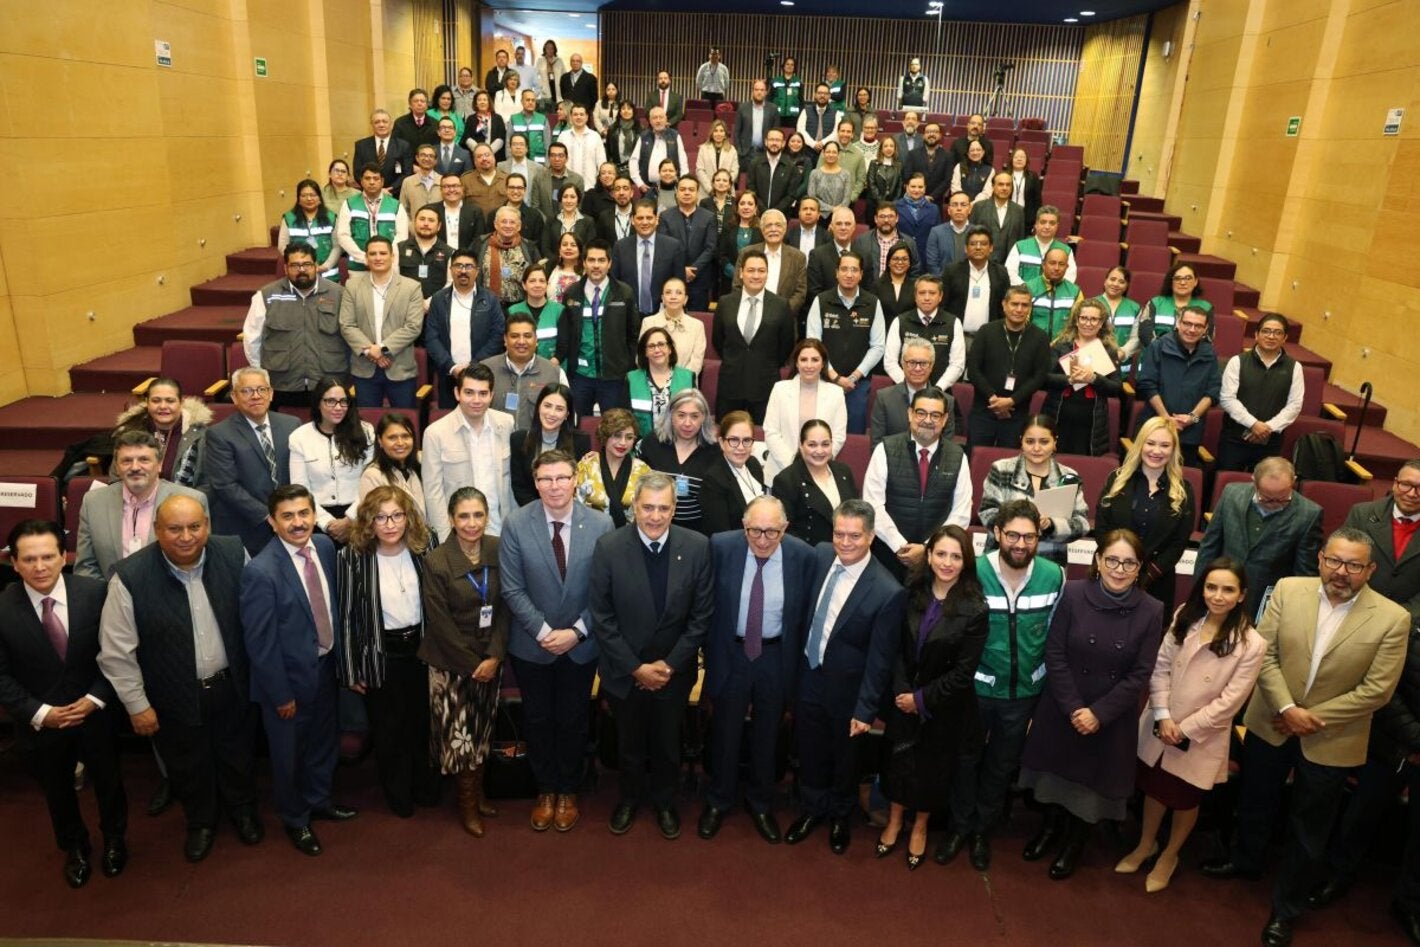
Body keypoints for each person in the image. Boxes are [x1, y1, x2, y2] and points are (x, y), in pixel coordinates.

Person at [1203, 529, 1408, 947]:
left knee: (1308, 827)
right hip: (1272, 721)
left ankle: (1286, 907)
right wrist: (1285, 708)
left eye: (1353, 565)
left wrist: (1308, 718)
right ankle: (1246, 861)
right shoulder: (1288, 590)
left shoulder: (1393, 618)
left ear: (1369, 570)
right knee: (1256, 801)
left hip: (1331, 738)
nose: (1341, 572)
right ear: (1320, 560)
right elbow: (1265, 652)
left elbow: (1377, 690)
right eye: (1334, 561)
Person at [98, 495, 260, 864]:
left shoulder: (235, 553)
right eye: (174, 528)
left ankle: (243, 811)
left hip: (232, 685)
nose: (186, 536)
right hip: (173, 694)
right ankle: (200, 822)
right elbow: (116, 651)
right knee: (188, 763)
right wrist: (137, 705)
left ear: (208, 525)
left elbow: (257, 619)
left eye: (194, 526)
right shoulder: (130, 576)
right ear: (157, 531)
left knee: (238, 754)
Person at [1310, 464, 1420, 937]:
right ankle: (1338, 871)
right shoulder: (1363, 513)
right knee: (1361, 797)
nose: (1411, 492)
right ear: (1392, 484)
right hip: (1361, 641)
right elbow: (1341, 566)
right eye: (1405, 483)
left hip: (1403, 640)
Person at [1017, 529, 1164, 880]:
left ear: (1139, 568)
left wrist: (1098, 713)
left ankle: (1074, 843)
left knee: (1087, 787)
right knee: (1055, 775)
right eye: (1112, 559)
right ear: (1098, 560)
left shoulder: (1152, 609)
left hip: (1109, 715)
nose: (1119, 568)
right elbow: (1054, 652)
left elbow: (1141, 673)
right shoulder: (1072, 593)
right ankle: (1050, 829)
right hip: (1064, 704)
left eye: (1129, 562)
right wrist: (1073, 708)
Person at [1116, 557, 1265, 892]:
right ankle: (1146, 844)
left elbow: (1231, 702)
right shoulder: (1186, 615)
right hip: (1162, 722)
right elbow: (1161, 667)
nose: (1218, 595)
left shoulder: (1252, 643)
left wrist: (1184, 729)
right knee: (1155, 788)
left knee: (1184, 798)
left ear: (1242, 595)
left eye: (1228, 589)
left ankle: (1170, 854)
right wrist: (1163, 715)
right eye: (1212, 587)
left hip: (1200, 735)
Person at [939, 499, 1065, 870]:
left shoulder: (1054, 576)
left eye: (1029, 536)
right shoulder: (973, 572)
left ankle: (981, 832)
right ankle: (959, 827)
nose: (1021, 544)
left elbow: (1056, 639)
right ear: (996, 534)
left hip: (1024, 693)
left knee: (1000, 767)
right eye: (1013, 535)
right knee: (966, 761)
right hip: (976, 690)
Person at [1, 520, 127, 888]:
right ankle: (75, 847)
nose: (40, 567)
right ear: (15, 563)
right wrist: (41, 714)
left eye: (48, 557)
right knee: (56, 791)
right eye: (29, 559)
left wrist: (94, 699)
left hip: (96, 712)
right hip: (41, 722)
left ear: (63, 557)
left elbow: (117, 654)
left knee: (110, 783)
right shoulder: (2, 607)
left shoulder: (97, 593)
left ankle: (116, 840)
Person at [590, 472, 714, 838]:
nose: (655, 516)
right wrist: (634, 668)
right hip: (624, 671)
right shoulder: (609, 547)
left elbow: (701, 616)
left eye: (663, 508)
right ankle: (628, 798)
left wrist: (670, 665)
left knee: (666, 744)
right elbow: (602, 615)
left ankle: (664, 801)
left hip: (673, 672)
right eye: (647, 507)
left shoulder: (697, 547)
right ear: (634, 508)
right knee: (628, 744)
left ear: (675, 508)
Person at [499, 452, 614, 833]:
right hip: (533, 646)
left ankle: (568, 790)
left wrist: (578, 632)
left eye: (562, 478)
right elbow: (512, 589)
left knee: (573, 719)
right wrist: (545, 632)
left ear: (575, 479)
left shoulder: (600, 523)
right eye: (546, 479)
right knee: (537, 719)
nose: (555, 486)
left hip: (581, 647)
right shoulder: (516, 523)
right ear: (535, 483)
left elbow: (605, 591)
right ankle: (545, 789)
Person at [240, 485, 357, 856]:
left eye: (304, 513)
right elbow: (260, 644)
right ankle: (295, 818)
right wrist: (280, 695)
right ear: (272, 522)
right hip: (287, 683)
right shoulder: (261, 571)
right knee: (289, 754)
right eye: (288, 516)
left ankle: (320, 799)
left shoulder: (324, 547)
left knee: (324, 741)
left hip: (326, 668)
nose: (298, 523)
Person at [784, 500, 907, 854]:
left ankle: (840, 816)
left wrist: (865, 709)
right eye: (840, 533)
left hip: (849, 693)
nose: (845, 542)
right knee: (809, 750)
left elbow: (880, 660)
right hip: (809, 676)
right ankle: (811, 809)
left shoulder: (887, 591)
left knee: (844, 759)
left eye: (854, 536)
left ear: (870, 537)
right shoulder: (821, 555)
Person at [700, 495, 817, 843]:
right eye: (754, 531)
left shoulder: (803, 556)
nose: (763, 540)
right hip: (731, 653)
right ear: (743, 526)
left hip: (775, 656)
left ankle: (761, 803)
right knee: (725, 731)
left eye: (771, 532)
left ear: (785, 528)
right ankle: (718, 800)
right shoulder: (720, 547)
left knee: (769, 734)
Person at [879, 524, 989, 870]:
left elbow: (963, 673)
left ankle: (920, 826)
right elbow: (896, 648)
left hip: (942, 706)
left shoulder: (975, 608)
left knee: (931, 769)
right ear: (928, 556)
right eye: (940, 553)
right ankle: (895, 820)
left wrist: (921, 700)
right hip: (902, 698)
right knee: (898, 762)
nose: (947, 562)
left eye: (956, 556)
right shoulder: (910, 592)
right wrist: (901, 692)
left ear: (966, 562)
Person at [333, 486, 438, 818]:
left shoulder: (425, 546)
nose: (390, 524)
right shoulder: (352, 557)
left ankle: (425, 786)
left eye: (396, 515)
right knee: (389, 730)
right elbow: (348, 615)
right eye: (381, 517)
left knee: (423, 724)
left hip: (422, 650)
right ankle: (398, 793)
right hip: (381, 654)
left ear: (408, 517)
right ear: (368, 521)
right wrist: (351, 669)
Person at [862, 386, 972, 581]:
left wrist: (928, 549)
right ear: (910, 414)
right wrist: (900, 546)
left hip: (935, 562)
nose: (928, 420)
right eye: (921, 413)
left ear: (945, 419)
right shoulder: (885, 449)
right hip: (887, 554)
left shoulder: (958, 457)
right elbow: (873, 505)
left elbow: (961, 513)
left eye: (935, 415)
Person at [1195, 456, 1324, 618]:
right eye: (1267, 498)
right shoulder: (1231, 494)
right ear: (1254, 482)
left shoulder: (1309, 514)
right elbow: (1209, 546)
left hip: (1266, 601)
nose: (1275, 504)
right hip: (1221, 593)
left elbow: (1303, 574)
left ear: (1294, 481)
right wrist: (1198, 590)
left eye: (1283, 499)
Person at [1094, 416, 1196, 617]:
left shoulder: (1184, 491)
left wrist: (1146, 575)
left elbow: (1178, 543)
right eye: (1150, 443)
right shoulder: (1116, 479)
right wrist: (1119, 566)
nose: (1156, 451)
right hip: (1111, 573)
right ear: (1140, 445)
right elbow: (1102, 528)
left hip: (1156, 581)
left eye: (1164, 445)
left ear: (1173, 450)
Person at [75, 430, 208, 581]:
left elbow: (199, 563)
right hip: (110, 597)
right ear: (117, 468)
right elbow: (86, 566)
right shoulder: (93, 502)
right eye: (126, 461)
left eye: (144, 460)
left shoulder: (192, 500)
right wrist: (110, 598)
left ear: (159, 465)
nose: (135, 467)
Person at [200, 367, 300, 555]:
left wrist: (290, 513)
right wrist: (269, 516)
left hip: (291, 522)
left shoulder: (291, 425)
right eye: (247, 391)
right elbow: (225, 485)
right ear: (234, 397)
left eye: (262, 389)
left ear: (271, 394)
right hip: (246, 526)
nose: (256, 396)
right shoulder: (219, 434)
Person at [242, 243, 349, 409]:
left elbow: (350, 334)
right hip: (282, 382)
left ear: (316, 266)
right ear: (285, 268)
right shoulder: (266, 296)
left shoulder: (339, 294)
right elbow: (252, 338)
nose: (302, 270)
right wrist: (261, 375)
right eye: (295, 265)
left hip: (329, 381)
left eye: (307, 264)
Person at [978, 415, 1090, 568]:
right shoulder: (1001, 469)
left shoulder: (1069, 477)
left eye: (1044, 442)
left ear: (1055, 442)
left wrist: (1050, 525)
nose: (1036, 448)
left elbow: (1082, 525)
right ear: (1021, 441)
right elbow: (987, 514)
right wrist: (1022, 528)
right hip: (1002, 559)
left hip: (1049, 563)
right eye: (1030, 441)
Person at [421, 365, 515, 539]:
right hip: (459, 532)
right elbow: (433, 492)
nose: (476, 400)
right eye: (469, 393)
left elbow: (512, 484)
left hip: (500, 528)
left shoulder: (506, 424)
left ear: (491, 395)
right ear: (457, 393)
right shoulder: (435, 433)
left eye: (483, 393)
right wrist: (445, 538)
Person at [338, 235, 425, 409]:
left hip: (400, 368)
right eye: (373, 254)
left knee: (403, 423)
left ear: (392, 257)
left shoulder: (411, 287)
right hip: (364, 368)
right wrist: (370, 351)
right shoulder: (352, 286)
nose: (378, 258)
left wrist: (382, 349)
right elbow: (347, 324)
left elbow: (413, 327)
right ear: (366, 258)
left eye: (383, 253)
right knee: (367, 424)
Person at [805, 250, 886, 434]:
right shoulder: (821, 301)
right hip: (824, 380)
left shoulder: (872, 303)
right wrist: (834, 377)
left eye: (854, 270)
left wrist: (853, 377)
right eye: (844, 269)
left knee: (853, 436)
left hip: (858, 384)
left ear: (861, 274)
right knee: (820, 433)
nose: (849, 274)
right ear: (836, 272)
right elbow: (813, 344)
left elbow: (878, 346)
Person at [560, 237, 642, 417]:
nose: (596, 265)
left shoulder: (624, 293)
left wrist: (626, 366)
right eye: (591, 260)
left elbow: (633, 334)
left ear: (610, 263)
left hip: (614, 377)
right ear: (584, 263)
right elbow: (566, 334)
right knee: (579, 425)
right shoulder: (572, 293)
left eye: (601, 260)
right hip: (580, 376)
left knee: (614, 426)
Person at [287, 379, 374, 544]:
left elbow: (371, 482)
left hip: (361, 513)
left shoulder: (366, 431)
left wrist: (350, 519)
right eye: (330, 401)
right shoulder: (299, 437)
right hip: (317, 517)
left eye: (343, 401)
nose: (338, 407)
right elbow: (301, 488)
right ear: (318, 403)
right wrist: (327, 524)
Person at [965, 285, 1053, 447]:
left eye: (1025, 305)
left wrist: (1012, 401)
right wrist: (994, 399)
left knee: (1009, 465)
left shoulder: (1040, 337)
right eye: (1014, 304)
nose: (1019, 309)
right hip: (983, 411)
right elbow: (973, 370)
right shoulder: (986, 331)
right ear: (1004, 305)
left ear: (1030, 308)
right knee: (976, 461)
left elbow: (1039, 376)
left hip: (1017, 414)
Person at [713, 249, 795, 423]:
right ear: (741, 273)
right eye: (751, 270)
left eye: (761, 271)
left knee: (762, 441)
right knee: (727, 439)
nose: (756, 276)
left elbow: (786, 344)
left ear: (767, 273)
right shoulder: (725, 303)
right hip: (730, 385)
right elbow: (718, 341)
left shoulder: (781, 305)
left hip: (765, 386)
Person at [1134, 305, 1221, 467]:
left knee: (1180, 482)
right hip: (1154, 427)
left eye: (1198, 326)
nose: (1192, 329)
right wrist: (1166, 419)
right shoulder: (1158, 346)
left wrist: (1192, 417)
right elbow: (1147, 385)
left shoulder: (1210, 353)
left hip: (1189, 432)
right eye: (1187, 323)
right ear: (1178, 323)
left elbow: (1213, 391)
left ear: (1206, 329)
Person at [1217, 312, 1304, 472]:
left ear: (1285, 338)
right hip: (1234, 439)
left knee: (1264, 488)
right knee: (1225, 483)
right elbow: (1227, 399)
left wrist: (1267, 428)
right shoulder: (1238, 361)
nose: (1271, 336)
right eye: (1266, 331)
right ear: (1256, 335)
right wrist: (1253, 424)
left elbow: (1294, 405)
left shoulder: (1295, 367)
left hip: (1270, 442)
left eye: (1277, 333)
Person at [424, 248, 506, 409]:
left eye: (469, 266)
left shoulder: (490, 299)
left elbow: (497, 335)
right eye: (458, 266)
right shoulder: (439, 299)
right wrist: (452, 367)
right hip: (448, 375)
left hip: (481, 375)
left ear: (477, 271)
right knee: (449, 425)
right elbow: (431, 338)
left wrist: (474, 365)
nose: (463, 271)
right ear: (451, 270)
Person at [1041, 296, 1123, 456]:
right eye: (1084, 318)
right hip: (1059, 412)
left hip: (1091, 418)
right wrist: (1069, 379)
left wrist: (1094, 378)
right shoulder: (1061, 345)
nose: (1088, 323)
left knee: (1082, 463)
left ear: (1101, 324)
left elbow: (1116, 387)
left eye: (1093, 319)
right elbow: (1045, 378)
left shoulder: (1108, 350)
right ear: (1076, 320)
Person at [635, 388, 720, 533]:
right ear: (671, 415)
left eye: (694, 416)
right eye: (681, 415)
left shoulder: (714, 451)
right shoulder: (652, 443)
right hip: (654, 526)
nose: (687, 423)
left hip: (698, 532)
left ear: (704, 418)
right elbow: (636, 484)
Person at [763, 338, 847, 478]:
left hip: (819, 471)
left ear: (823, 364)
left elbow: (838, 436)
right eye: (803, 359)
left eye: (815, 360)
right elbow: (771, 432)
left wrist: (816, 462)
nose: (809, 365)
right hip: (781, 471)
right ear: (796, 363)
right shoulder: (780, 389)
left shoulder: (836, 393)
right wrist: (793, 466)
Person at [481, 307, 566, 430]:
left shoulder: (555, 373)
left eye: (527, 336)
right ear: (505, 340)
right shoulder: (485, 370)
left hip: (537, 446)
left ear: (536, 340)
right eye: (515, 336)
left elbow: (567, 417)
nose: (521, 341)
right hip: (495, 445)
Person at [509, 384, 589, 506]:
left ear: (567, 414)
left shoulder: (580, 441)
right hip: (531, 511)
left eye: (559, 409)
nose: (551, 413)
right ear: (539, 407)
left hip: (567, 510)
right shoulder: (519, 439)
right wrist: (541, 512)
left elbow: (579, 485)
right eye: (547, 406)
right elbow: (519, 487)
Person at [883, 275, 965, 390]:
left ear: (940, 296)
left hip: (940, 392)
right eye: (922, 293)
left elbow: (957, 364)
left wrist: (938, 388)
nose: (927, 298)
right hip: (903, 390)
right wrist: (910, 386)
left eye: (932, 293)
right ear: (915, 296)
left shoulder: (953, 323)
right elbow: (890, 362)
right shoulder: (900, 321)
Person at [575, 409, 651, 529]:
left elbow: (649, 511)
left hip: (630, 538)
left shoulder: (643, 470)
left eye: (629, 437)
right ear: (605, 436)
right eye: (617, 436)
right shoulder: (586, 466)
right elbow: (576, 509)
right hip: (592, 534)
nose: (623, 443)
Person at [871, 337, 952, 448]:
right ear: (902, 364)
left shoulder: (946, 401)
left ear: (932, 366)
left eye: (923, 363)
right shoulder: (884, 398)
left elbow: (947, 449)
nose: (917, 368)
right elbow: (877, 446)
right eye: (912, 362)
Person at [699, 410, 768, 535]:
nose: (741, 447)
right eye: (734, 440)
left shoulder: (753, 464)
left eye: (746, 440)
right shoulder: (713, 480)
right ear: (721, 443)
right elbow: (720, 534)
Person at [657, 176, 718, 310]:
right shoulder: (665, 216)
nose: (686, 193)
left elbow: (711, 248)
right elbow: (663, 247)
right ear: (676, 193)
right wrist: (681, 269)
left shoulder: (709, 217)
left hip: (700, 280)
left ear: (697, 193)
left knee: (697, 321)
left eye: (691, 190)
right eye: (683, 189)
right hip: (673, 279)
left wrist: (694, 269)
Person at [335, 164, 409, 272]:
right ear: (361, 181)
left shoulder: (396, 206)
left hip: (388, 267)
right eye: (367, 178)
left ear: (382, 181)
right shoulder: (349, 204)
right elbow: (342, 235)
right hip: (358, 267)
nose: (372, 182)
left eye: (376, 178)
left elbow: (401, 236)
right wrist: (364, 258)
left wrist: (384, 257)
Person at [942, 224, 1011, 340]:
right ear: (965, 248)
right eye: (973, 244)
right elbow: (943, 305)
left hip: (990, 337)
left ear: (991, 248)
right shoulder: (952, 272)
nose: (978, 247)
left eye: (983, 244)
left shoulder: (1001, 273)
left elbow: (1005, 307)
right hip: (958, 336)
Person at [735, 209, 808, 318]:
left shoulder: (798, 257)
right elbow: (737, 286)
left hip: (784, 319)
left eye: (778, 225)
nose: (773, 229)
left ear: (784, 229)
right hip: (750, 316)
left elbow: (800, 292)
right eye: (768, 225)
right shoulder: (746, 253)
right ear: (762, 229)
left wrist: (781, 313)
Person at [626, 326, 694, 439]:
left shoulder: (687, 377)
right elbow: (625, 420)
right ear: (645, 352)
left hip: (679, 443)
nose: (657, 350)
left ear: (670, 349)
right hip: (642, 446)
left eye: (661, 344)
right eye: (651, 346)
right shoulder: (631, 379)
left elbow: (695, 416)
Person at [359, 412, 426, 518]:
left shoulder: (420, 466)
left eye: (406, 436)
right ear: (380, 440)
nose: (400, 443)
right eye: (392, 438)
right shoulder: (372, 475)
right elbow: (373, 520)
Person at [638, 276, 707, 377]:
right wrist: (660, 381)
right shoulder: (649, 322)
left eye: (678, 293)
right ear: (663, 298)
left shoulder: (697, 326)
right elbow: (640, 357)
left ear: (685, 299)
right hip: (653, 384)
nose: (673, 297)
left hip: (685, 385)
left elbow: (696, 363)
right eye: (668, 292)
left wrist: (677, 381)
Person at [1134, 263, 1212, 350]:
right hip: (1155, 356)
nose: (1182, 282)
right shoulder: (1155, 303)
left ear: (1195, 282)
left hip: (1189, 359)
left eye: (1188, 278)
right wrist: (1164, 352)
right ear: (1171, 282)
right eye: (1177, 278)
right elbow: (1145, 333)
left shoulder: (1206, 307)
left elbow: (1207, 337)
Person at [278, 179, 342, 282]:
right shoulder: (289, 219)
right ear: (298, 199)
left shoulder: (331, 217)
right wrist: (298, 264)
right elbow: (282, 245)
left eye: (313, 195)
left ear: (320, 198)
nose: (309, 198)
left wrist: (325, 266)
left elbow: (337, 246)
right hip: (299, 275)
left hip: (328, 276)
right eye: (304, 196)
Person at [478, 205, 541, 308]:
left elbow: (537, 276)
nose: (508, 225)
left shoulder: (530, 248)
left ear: (519, 226)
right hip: (487, 306)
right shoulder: (480, 244)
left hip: (520, 307)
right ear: (495, 224)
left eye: (512, 222)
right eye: (504, 221)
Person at [1006, 205, 1077, 286]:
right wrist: (1026, 289)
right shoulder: (1019, 247)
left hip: (1054, 295)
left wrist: (1052, 290)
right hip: (1024, 294)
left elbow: (1070, 276)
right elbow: (1010, 273)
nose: (1047, 227)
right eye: (1043, 222)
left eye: (1052, 223)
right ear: (1036, 224)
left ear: (1057, 226)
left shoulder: (1066, 250)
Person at [397, 205, 453, 304]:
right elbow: (393, 279)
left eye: (431, 220)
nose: (426, 224)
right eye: (422, 219)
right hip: (405, 305)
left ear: (439, 226)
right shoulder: (399, 248)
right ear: (414, 223)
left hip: (436, 308)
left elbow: (450, 283)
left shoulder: (450, 252)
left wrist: (429, 303)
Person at [1024, 246, 1082, 338]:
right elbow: (1022, 321)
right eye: (1052, 263)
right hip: (1034, 344)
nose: (1057, 268)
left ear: (1067, 267)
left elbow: (1078, 324)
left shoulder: (1075, 292)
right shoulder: (1028, 288)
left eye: (1061, 264)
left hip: (1063, 347)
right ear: (1043, 265)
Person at [969, 172, 1027, 263]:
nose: (1004, 188)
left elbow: (1020, 239)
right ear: (993, 186)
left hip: (1008, 264)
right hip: (981, 262)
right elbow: (970, 236)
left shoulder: (1019, 210)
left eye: (1008, 185)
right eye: (1000, 184)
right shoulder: (979, 207)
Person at [628, 106, 688, 193]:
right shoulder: (643, 136)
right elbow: (633, 161)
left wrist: (683, 182)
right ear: (650, 121)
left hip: (671, 188)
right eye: (655, 118)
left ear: (666, 119)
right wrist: (639, 183)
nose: (658, 120)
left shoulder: (675, 136)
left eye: (661, 117)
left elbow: (683, 161)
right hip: (647, 187)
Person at [352, 110, 412, 197]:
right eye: (377, 122)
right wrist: (375, 189)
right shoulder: (361, 145)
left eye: (385, 121)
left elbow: (406, 173)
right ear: (372, 125)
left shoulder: (403, 146)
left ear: (391, 125)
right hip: (369, 195)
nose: (381, 125)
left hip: (395, 195)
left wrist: (391, 189)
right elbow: (358, 173)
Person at [853, 204, 920, 281]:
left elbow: (914, 272)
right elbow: (856, 269)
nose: (886, 220)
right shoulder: (862, 241)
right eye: (882, 216)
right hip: (870, 291)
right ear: (875, 219)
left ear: (897, 218)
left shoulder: (909, 243)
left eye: (890, 216)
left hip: (899, 290)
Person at [747, 127, 800, 218]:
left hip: (781, 216)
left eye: (778, 140)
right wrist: (763, 210)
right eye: (771, 140)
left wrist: (775, 212)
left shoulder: (791, 167)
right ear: (766, 142)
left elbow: (791, 195)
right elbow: (751, 189)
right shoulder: (755, 163)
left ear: (783, 143)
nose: (774, 143)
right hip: (757, 215)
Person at [716, 190, 761, 288]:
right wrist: (736, 273)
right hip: (730, 281)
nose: (746, 207)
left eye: (750, 204)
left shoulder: (761, 231)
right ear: (737, 208)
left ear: (755, 208)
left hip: (755, 280)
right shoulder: (727, 228)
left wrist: (749, 274)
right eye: (742, 203)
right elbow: (721, 255)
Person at [543, 182, 596, 261]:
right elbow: (545, 247)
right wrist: (557, 262)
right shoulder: (551, 220)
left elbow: (589, 247)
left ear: (578, 199)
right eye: (565, 197)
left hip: (580, 266)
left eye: (572, 197)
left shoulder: (588, 221)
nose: (568, 201)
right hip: (555, 265)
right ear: (560, 199)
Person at [1101, 265, 1143, 362]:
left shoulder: (1135, 308)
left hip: (1122, 364)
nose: (1115, 284)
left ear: (1126, 286)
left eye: (1121, 282)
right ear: (1105, 281)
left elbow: (1135, 338)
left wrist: (1123, 352)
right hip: (1094, 360)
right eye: (1112, 279)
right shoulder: (1091, 304)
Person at [431, 173, 484, 251]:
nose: (451, 190)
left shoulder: (475, 212)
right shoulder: (432, 210)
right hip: (438, 258)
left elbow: (479, 240)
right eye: (446, 186)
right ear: (441, 190)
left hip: (466, 258)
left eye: (455, 186)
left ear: (462, 188)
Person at [902, 122, 952, 203]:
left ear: (940, 135)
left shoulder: (947, 156)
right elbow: (907, 176)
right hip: (914, 199)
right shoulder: (912, 154)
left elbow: (947, 180)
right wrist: (919, 194)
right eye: (928, 132)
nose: (931, 134)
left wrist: (932, 196)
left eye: (935, 132)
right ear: (923, 135)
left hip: (936, 201)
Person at [735, 79, 781, 166]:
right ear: (752, 91)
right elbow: (737, 132)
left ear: (766, 92)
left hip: (765, 153)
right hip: (745, 153)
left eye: (762, 90)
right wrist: (739, 151)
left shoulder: (773, 109)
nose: (759, 92)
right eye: (756, 90)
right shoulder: (742, 108)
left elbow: (777, 133)